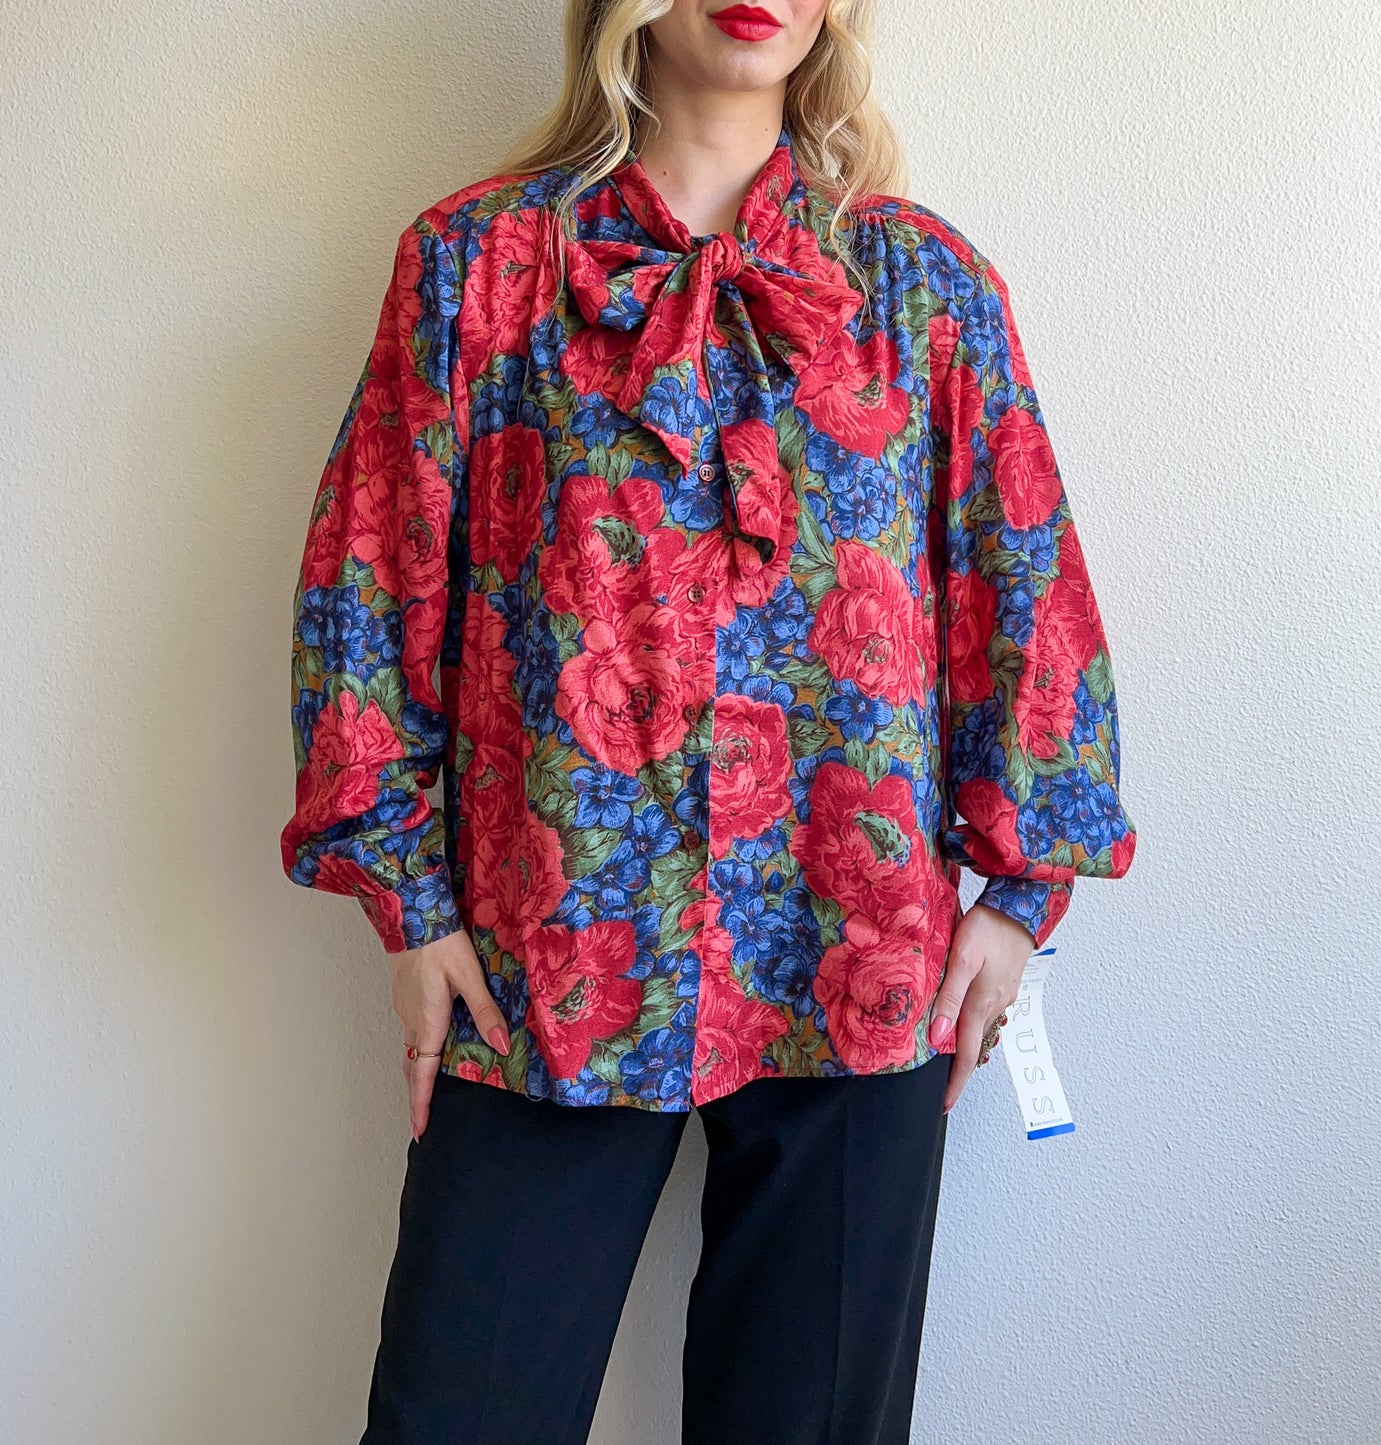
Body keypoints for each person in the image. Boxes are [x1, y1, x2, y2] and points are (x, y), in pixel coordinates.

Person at [278, 1, 1137, 1440]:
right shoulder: (478, 267)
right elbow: (373, 577)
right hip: (544, 960)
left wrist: (1018, 894)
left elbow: (1022, 576)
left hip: (858, 957)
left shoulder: (924, 288)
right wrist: (407, 906)